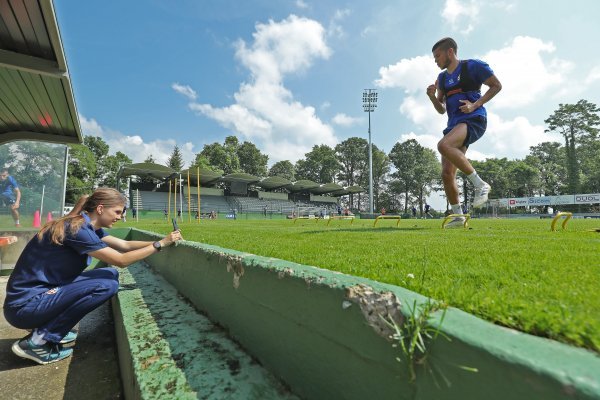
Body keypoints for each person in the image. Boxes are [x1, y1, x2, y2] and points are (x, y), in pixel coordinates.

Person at [3, 188, 182, 365]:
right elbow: (121, 260)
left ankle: (51, 328)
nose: (120, 217)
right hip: (25, 307)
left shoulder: (85, 225)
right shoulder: (78, 230)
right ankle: (39, 341)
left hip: (37, 297)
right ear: (100, 209)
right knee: (106, 286)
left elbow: (125, 245)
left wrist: (165, 240)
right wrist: (160, 245)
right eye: (117, 212)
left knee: (109, 274)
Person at [427, 37, 502, 228]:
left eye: (438, 56)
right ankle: (459, 218)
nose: (436, 60)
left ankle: (480, 184)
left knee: (443, 145)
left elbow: (496, 85)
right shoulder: (443, 78)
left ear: (450, 52)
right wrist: (432, 97)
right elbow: (441, 109)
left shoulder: (473, 66)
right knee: (446, 173)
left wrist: (475, 104)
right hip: (454, 125)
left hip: (473, 118)